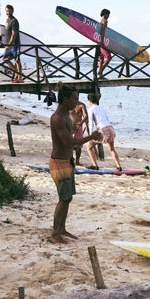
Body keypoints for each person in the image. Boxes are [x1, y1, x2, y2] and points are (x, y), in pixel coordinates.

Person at [49, 83, 102, 244]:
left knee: (68, 198)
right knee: (63, 198)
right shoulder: (58, 118)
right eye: (74, 98)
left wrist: (75, 128)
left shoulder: (66, 115)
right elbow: (68, 142)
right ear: (64, 99)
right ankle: (55, 233)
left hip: (67, 161)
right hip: (59, 162)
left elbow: (69, 136)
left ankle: (62, 229)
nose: (77, 102)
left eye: (77, 98)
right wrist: (90, 136)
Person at [86, 92, 122, 170]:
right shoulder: (101, 108)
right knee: (112, 149)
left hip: (103, 130)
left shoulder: (90, 109)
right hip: (110, 128)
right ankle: (119, 166)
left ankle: (95, 165)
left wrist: (91, 135)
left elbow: (91, 123)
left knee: (89, 147)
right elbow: (106, 119)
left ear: (89, 101)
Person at [3, 4, 23, 82]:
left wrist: (10, 44)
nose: (8, 13)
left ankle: (20, 78)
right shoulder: (7, 20)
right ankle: (19, 73)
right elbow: (7, 33)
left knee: (17, 60)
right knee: (5, 59)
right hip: (8, 45)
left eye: (10, 11)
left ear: (13, 11)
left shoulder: (14, 21)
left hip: (15, 44)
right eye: (7, 11)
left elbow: (14, 34)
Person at [69, 100, 88, 166]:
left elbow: (86, 116)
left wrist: (81, 123)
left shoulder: (81, 105)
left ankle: (77, 161)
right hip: (70, 126)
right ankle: (70, 160)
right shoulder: (69, 104)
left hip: (78, 126)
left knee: (79, 145)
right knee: (69, 144)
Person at [98, 8, 112, 78]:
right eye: (108, 14)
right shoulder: (105, 21)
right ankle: (100, 72)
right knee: (109, 57)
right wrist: (102, 41)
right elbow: (103, 30)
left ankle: (100, 75)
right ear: (105, 14)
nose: (109, 16)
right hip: (102, 42)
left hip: (98, 42)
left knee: (101, 58)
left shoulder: (100, 21)